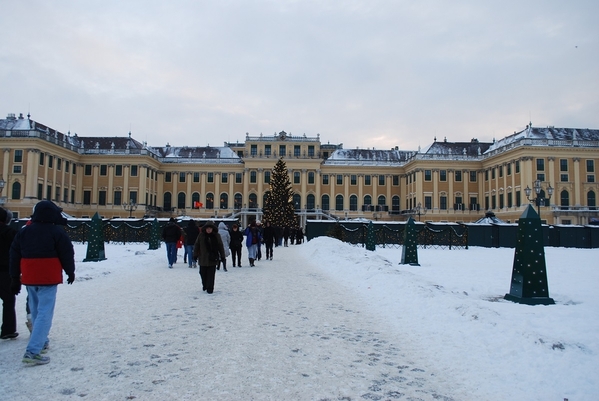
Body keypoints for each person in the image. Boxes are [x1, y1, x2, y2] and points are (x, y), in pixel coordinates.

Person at [9, 200, 75, 365]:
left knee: (36, 310)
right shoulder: (56, 232)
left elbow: (14, 255)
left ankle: (41, 340)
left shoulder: (24, 231)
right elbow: (66, 252)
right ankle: (33, 351)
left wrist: (14, 277)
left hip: (30, 275)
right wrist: (70, 271)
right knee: (45, 313)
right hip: (48, 275)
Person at [193, 221, 226, 294]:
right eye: (207, 228)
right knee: (202, 273)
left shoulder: (216, 236)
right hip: (203, 258)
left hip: (213, 258)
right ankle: (205, 285)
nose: (208, 230)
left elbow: (220, 246)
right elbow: (197, 245)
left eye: (210, 228)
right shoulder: (201, 235)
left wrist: (222, 256)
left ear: (212, 229)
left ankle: (210, 288)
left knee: (211, 274)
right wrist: (195, 255)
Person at [0, 207, 18, 340]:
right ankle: (8, 329)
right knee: (8, 301)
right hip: (5, 271)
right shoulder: (11, 232)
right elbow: (17, 253)